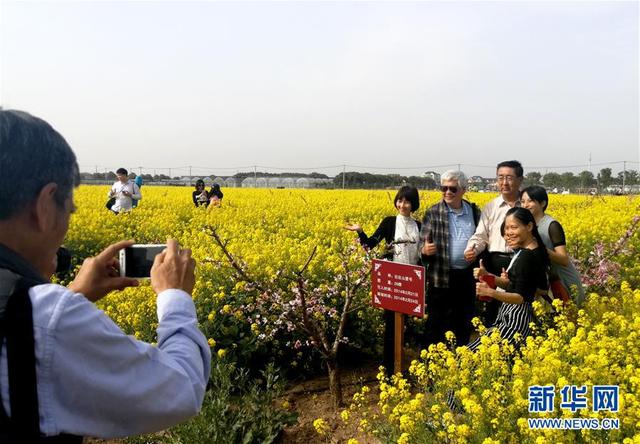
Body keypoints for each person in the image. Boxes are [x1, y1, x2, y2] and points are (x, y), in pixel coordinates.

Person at [0, 110, 211, 441]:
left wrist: (74, 294)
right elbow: (179, 389)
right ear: (44, 206)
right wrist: (175, 297)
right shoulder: (43, 316)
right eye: (68, 210)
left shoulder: (35, 314)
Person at [344, 185, 421, 375]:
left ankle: (400, 368)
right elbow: (370, 245)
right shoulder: (389, 222)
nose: (402, 205)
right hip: (393, 280)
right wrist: (360, 231)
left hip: (412, 282)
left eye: (407, 201)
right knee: (391, 326)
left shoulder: (419, 225)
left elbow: (421, 254)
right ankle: (388, 371)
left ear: (414, 204)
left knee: (404, 326)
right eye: (400, 200)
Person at [420, 171, 481, 347]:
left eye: (452, 189)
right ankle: (432, 363)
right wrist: (424, 249)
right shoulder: (433, 212)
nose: (447, 192)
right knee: (436, 321)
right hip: (441, 276)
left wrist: (476, 251)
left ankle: (458, 358)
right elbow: (420, 243)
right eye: (444, 188)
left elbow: (482, 238)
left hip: (467, 276)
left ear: (463, 189)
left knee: (463, 319)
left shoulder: (474, 211)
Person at [472, 207, 549, 348]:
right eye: (506, 228)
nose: (508, 233)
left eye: (513, 227)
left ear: (529, 226)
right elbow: (524, 286)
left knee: (471, 355)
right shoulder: (533, 250)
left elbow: (520, 297)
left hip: (515, 320)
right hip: (515, 317)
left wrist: (489, 292)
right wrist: (488, 275)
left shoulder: (527, 256)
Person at [464, 160, 524, 326]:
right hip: (495, 263)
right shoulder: (491, 207)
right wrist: (472, 249)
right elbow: (481, 235)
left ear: (520, 180)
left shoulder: (527, 205)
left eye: (509, 178)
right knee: (494, 311)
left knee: (520, 308)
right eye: (500, 178)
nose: (504, 182)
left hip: (521, 262)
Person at [521, 186, 585, 306]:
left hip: (562, 280)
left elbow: (564, 259)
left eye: (530, 201)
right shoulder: (527, 225)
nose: (525, 205)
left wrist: (539, 249)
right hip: (544, 283)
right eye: (523, 201)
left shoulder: (552, 225)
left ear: (543, 203)